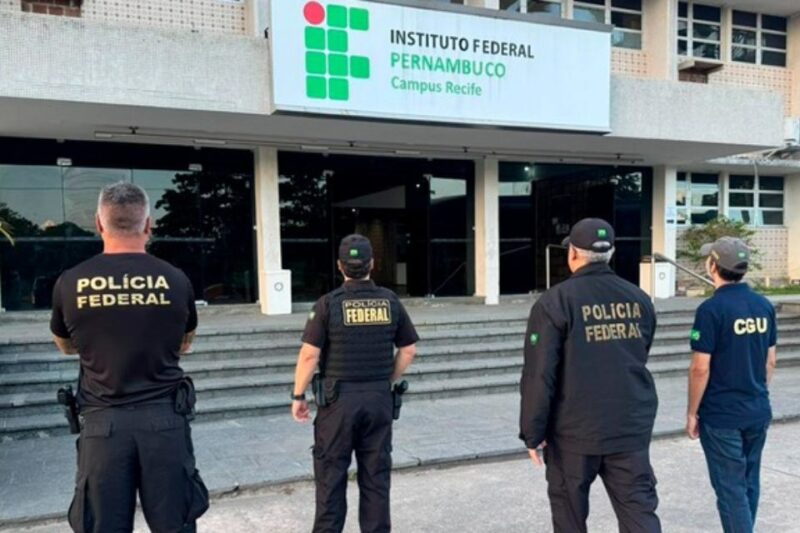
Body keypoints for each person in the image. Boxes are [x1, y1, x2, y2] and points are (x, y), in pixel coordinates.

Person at [50, 182, 208, 533]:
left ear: (98, 223)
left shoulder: (70, 282)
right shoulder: (176, 279)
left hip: (102, 426)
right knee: (176, 525)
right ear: (149, 224)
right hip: (165, 422)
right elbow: (185, 343)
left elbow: (65, 345)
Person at [518, 218, 661, 533]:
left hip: (574, 431)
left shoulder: (555, 302)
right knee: (639, 512)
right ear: (611, 253)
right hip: (628, 426)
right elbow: (641, 352)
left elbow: (540, 373)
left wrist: (532, 431)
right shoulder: (639, 298)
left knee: (569, 516)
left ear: (572, 253)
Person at [291, 234, 419, 533]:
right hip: (378, 400)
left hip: (338, 404)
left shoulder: (328, 304)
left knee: (330, 477)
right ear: (372, 264)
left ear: (340, 266)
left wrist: (298, 396)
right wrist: (387, 379)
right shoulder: (389, 301)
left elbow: (309, 355)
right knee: (376, 478)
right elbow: (408, 349)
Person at [686, 237, 777, 533]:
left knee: (730, 489)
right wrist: (757, 392)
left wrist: (692, 412)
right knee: (749, 480)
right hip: (757, 408)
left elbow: (700, 368)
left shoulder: (711, 310)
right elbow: (770, 361)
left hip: (722, 415)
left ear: (713, 266)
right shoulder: (764, 306)